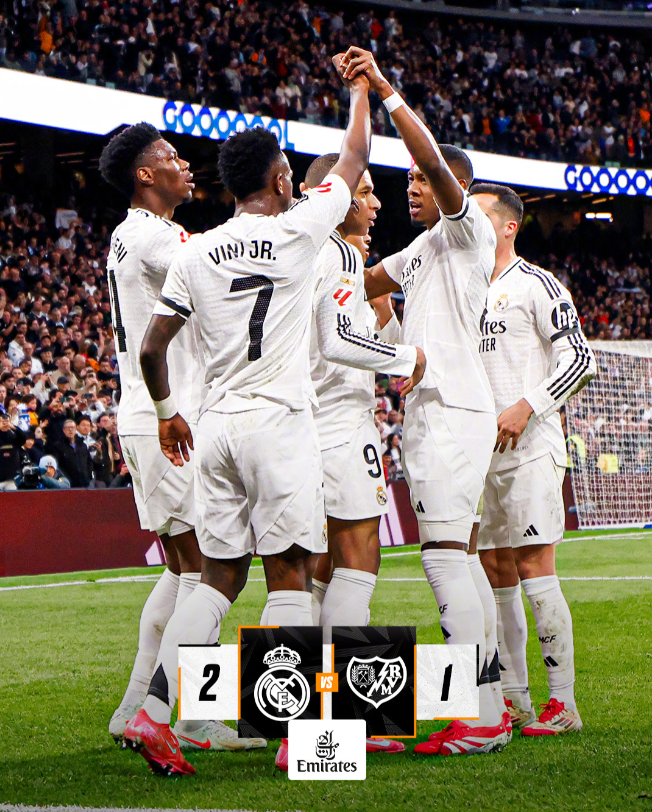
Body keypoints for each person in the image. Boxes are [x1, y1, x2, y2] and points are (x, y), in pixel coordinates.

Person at [123, 54, 372, 777]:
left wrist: (168, 413)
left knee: (217, 579)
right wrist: (361, 90)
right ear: (281, 180)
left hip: (214, 427)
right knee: (290, 574)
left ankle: (153, 713)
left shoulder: (196, 252)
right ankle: (301, 739)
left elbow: (152, 346)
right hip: (278, 422)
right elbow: (354, 156)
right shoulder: (301, 230)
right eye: (289, 173)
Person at [343, 46, 510, 755]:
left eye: (419, 177)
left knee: (442, 556)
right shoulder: (422, 249)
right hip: (437, 409)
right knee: (460, 557)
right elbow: (365, 284)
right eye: (407, 178)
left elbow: (434, 161)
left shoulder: (468, 229)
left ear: (454, 186)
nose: (410, 184)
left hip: (451, 409)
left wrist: (384, 90)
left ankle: (481, 718)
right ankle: (492, 704)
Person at [99, 123, 257, 752]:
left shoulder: (131, 235)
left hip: (147, 416)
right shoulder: (153, 237)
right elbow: (220, 267)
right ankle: (190, 717)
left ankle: (135, 705)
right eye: (169, 156)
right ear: (144, 175)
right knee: (208, 569)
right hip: (168, 419)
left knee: (179, 567)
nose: (183, 163)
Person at [301, 153, 425, 759]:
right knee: (358, 563)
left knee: (312, 573)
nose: (376, 204)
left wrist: (384, 321)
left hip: (298, 429)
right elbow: (338, 342)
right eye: (365, 191)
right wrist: (408, 358)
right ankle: (348, 720)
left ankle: (299, 721)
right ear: (330, 195)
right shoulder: (340, 253)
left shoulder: (295, 252)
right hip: (340, 427)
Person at [471, 182, 596, 735]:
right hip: (479, 454)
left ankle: (563, 704)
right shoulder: (465, 286)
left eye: (479, 215)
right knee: (494, 570)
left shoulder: (538, 284)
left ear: (508, 226)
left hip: (530, 449)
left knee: (532, 567)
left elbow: (581, 359)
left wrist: (528, 406)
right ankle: (515, 699)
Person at [52, 418, 93, 487]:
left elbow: (89, 462)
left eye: (72, 427)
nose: (70, 430)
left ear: (76, 429)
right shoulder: (58, 446)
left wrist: (88, 476)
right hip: (69, 483)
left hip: (84, 482)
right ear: (64, 430)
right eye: (68, 428)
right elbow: (58, 465)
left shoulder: (82, 445)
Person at [0, 405, 25, 490]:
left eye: (6, 421)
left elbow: (23, 439)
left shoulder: (12, 436)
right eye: (2, 421)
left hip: (11, 478)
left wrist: (12, 427)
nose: (4, 423)